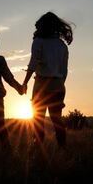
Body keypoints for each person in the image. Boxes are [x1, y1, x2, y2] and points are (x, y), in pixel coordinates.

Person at [22, 12, 73, 148]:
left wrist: (25, 82)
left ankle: (38, 149)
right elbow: (64, 71)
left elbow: (33, 63)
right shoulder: (62, 46)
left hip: (41, 85)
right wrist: (59, 84)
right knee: (57, 120)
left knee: (38, 119)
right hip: (58, 85)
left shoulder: (38, 42)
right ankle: (63, 149)